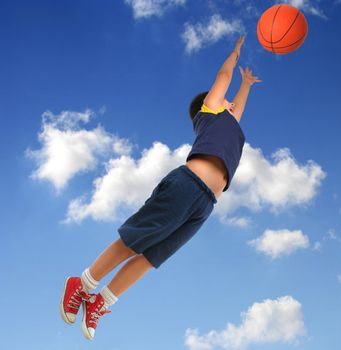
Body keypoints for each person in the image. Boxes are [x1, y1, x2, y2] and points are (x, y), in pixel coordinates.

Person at [59, 35, 261, 340]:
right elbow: (223, 77)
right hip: (187, 185)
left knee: (152, 257)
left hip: (205, 205)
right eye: (225, 101)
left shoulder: (231, 125)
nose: (231, 105)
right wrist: (234, 54)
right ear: (212, 104)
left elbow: (239, 109)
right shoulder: (208, 113)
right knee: (134, 241)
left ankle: (101, 302)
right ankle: (83, 284)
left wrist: (246, 85)